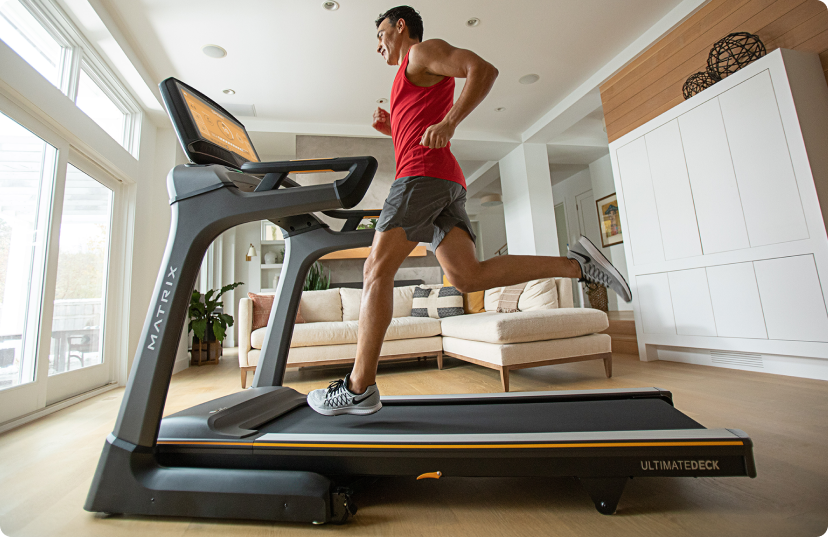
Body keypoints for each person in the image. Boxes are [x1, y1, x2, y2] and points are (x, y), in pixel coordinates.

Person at [307, 5, 631, 416]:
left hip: (421, 178)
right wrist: (393, 127)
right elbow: (420, 129)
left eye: (380, 35)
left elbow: (483, 70)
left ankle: (359, 387)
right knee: (467, 277)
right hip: (443, 180)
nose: (378, 46)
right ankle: (576, 264)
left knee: (375, 270)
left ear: (400, 26)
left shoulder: (421, 52)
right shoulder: (409, 72)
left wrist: (451, 122)